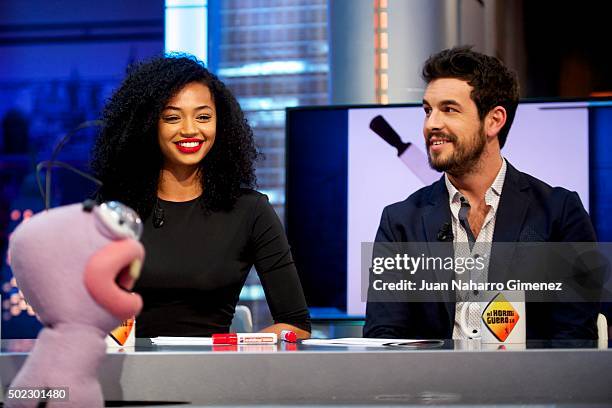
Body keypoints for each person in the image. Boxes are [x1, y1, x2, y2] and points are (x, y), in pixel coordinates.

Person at [363, 46, 600, 340]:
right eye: (427, 110)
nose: (431, 124)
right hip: (430, 384)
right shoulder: (400, 222)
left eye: (448, 109)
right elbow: (384, 336)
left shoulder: (560, 213)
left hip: (528, 383)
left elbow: (574, 338)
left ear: (494, 120)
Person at [91, 55, 310, 339]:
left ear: (221, 124)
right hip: (125, 372)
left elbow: (296, 324)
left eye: (203, 116)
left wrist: (233, 349)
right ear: (147, 125)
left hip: (216, 375)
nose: (190, 130)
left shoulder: (250, 210)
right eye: (172, 117)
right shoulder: (114, 209)